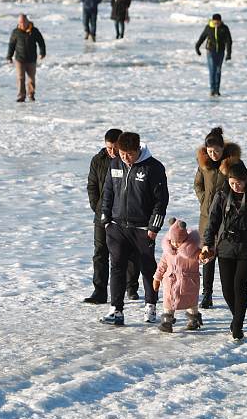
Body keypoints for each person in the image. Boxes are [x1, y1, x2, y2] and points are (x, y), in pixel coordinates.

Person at [201, 161, 247, 342]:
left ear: (246, 179)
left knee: (239, 285)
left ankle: (237, 326)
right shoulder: (221, 195)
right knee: (227, 289)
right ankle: (237, 317)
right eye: (232, 183)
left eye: (239, 183)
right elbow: (212, 221)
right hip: (226, 246)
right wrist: (207, 243)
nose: (235, 186)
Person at [100, 132, 169, 326]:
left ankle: (150, 306)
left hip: (142, 228)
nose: (124, 157)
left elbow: (161, 201)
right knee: (117, 267)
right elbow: (108, 192)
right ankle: (116, 310)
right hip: (117, 227)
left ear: (138, 150)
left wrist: (154, 227)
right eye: (122, 153)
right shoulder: (115, 164)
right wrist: (106, 220)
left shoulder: (153, 167)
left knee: (147, 268)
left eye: (129, 154)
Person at [86, 128, 142, 304]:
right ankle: (100, 291)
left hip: (124, 216)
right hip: (102, 215)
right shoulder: (98, 160)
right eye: (108, 148)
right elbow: (92, 186)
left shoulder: (126, 161)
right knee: (100, 253)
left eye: (114, 148)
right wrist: (98, 208)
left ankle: (131, 287)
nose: (111, 152)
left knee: (130, 253)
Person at [193, 127, 241, 309]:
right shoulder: (203, 165)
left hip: (226, 217)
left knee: (225, 254)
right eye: (210, 151)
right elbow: (197, 184)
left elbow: (240, 185)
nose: (213, 154)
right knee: (207, 253)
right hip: (206, 217)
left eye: (217, 151)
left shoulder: (232, 165)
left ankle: (231, 292)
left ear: (223, 149)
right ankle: (207, 294)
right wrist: (204, 199)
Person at [154, 219, 203, 333]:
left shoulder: (193, 250)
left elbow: (202, 259)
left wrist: (205, 255)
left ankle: (194, 319)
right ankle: (167, 322)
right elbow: (162, 264)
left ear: (185, 239)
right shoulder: (168, 251)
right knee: (168, 301)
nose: (175, 244)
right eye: (173, 241)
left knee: (191, 302)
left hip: (189, 283)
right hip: (170, 282)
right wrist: (157, 277)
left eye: (178, 242)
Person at [6, 13, 46, 102]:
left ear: (27, 21)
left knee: (31, 78)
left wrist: (42, 53)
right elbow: (11, 45)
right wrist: (9, 56)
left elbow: (41, 42)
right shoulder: (16, 32)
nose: (22, 24)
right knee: (20, 78)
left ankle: (31, 95)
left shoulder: (34, 31)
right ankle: (21, 96)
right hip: (20, 59)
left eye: (24, 22)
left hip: (31, 59)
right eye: (20, 23)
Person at [195, 13, 232, 97]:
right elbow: (202, 38)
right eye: (215, 22)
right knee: (213, 70)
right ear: (212, 20)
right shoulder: (208, 28)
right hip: (210, 51)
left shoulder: (224, 28)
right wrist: (197, 47)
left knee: (218, 71)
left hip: (220, 52)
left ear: (220, 21)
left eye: (218, 22)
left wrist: (228, 53)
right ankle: (212, 90)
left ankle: (217, 90)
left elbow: (229, 41)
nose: (216, 23)